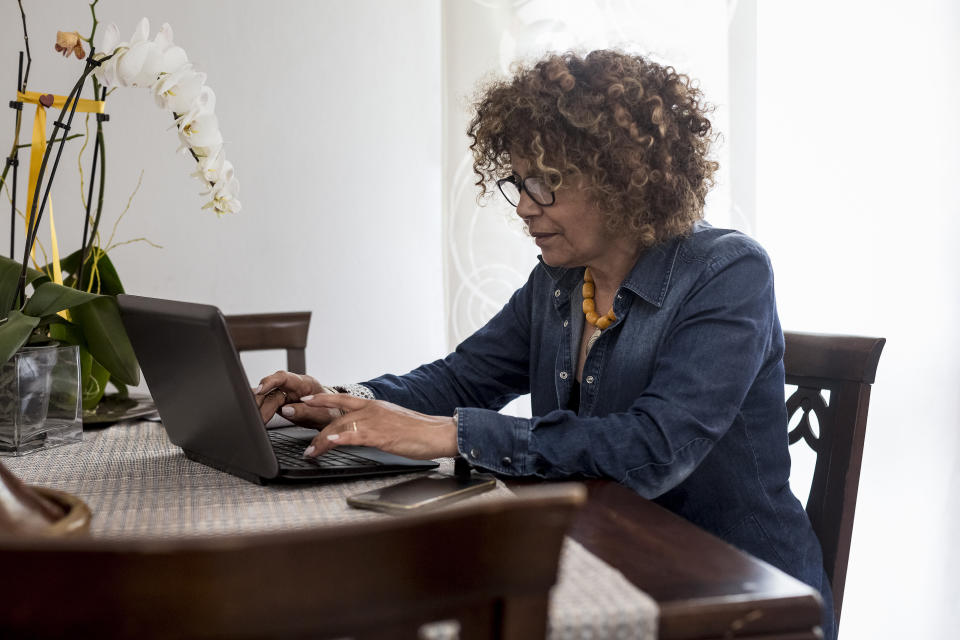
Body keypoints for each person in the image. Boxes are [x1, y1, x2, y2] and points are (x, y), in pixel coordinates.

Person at [255, 50, 835, 638]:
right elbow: (461, 379)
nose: (525, 206)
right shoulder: (558, 279)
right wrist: (337, 400)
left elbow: (655, 448)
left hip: (738, 593)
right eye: (518, 182)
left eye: (546, 183)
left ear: (622, 176)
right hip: (600, 559)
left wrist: (454, 432)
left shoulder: (728, 272)